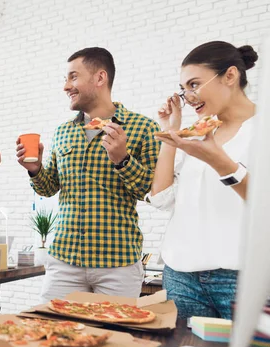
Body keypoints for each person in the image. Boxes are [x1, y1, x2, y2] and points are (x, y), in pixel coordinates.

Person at [16, 47, 160, 301]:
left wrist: (123, 160)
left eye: (73, 77)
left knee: (114, 338)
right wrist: (35, 169)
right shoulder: (63, 132)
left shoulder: (144, 128)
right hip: (64, 261)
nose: (65, 87)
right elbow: (49, 188)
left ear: (100, 78)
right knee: (51, 335)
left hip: (117, 264)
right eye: (65, 79)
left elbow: (152, 191)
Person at [147, 41, 257, 319]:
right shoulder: (198, 134)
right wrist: (171, 132)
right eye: (183, 89)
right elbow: (161, 198)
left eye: (194, 84)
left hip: (243, 279)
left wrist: (219, 161)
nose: (188, 96)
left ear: (230, 76)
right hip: (181, 277)